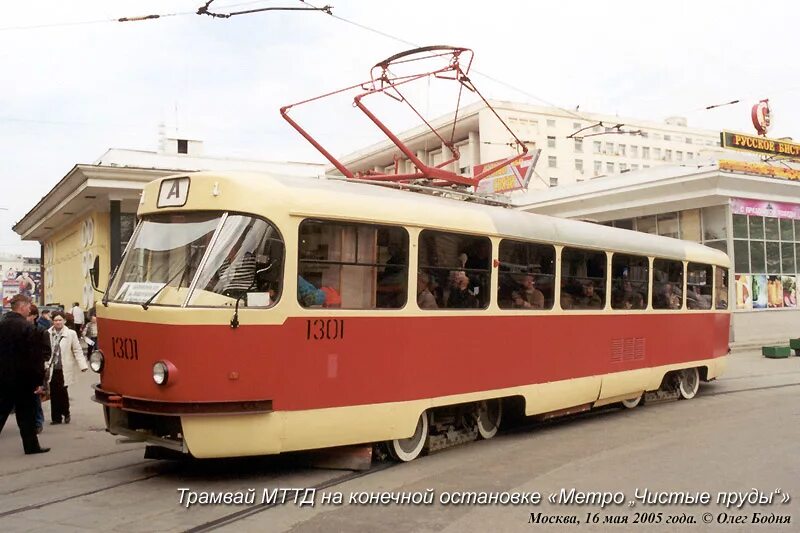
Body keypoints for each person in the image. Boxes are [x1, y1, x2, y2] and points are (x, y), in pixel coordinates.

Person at [0, 294, 50, 454]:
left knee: (1, 410)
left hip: (4, 377)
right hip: (23, 379)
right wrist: (38, 380)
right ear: (22, 307)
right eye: (29, 306)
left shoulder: (2, 325)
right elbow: (34, 357)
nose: (30, 309)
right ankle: (31, 446)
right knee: (26, 414)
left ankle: (32, 446)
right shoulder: (28, 328)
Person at [47, 311, 89, 425]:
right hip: (52, 367)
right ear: (52, 321)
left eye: (60, 320)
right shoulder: (48, 333)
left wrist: (83, 365)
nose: (58, 322)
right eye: (56, 320)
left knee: (63, 392)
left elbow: (77, 349)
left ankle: (66, 413)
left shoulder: (71, 334)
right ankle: (55, 418)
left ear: (64, 321)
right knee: (53, 393)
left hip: (64, 367)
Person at [26, 304, 51, 433]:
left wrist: (42, 362)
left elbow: (47, 352)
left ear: (34, 316)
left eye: (29, 315)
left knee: (36, 396)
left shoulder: (41, 331)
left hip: (36, 368)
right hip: (23, 368)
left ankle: (38, 422)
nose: (26, 317)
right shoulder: (21, 328)